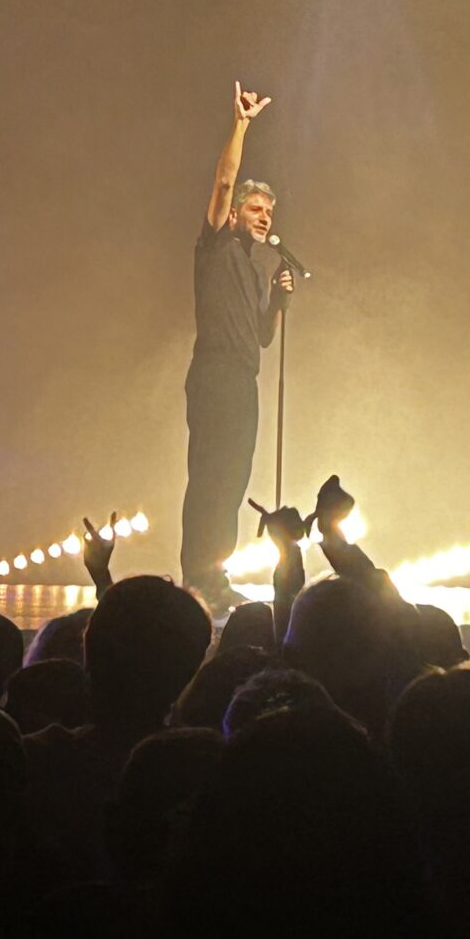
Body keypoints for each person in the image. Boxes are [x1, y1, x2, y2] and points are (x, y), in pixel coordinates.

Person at [179, 80, 296, 605]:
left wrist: (278, 298)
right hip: (215, 373)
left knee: (232, 481)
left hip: (244, 378)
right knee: (209, 476)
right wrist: (241, 124)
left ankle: (215, 577)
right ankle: (197, 579)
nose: (265, 217)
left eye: (269, 212)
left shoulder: (252, 271)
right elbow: (225, 180)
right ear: (233, 215)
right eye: (255, 210)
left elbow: (264, 338)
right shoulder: (216, 247)